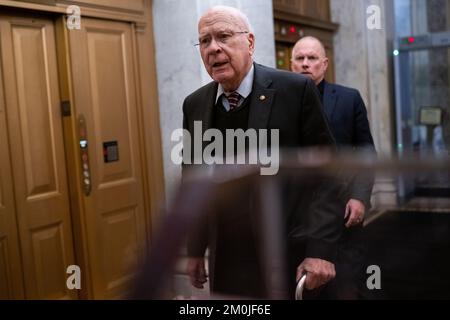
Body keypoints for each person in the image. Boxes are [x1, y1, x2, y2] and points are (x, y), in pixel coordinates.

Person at [183, 6, 343, 299]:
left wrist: (321, 250)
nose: (213, 48)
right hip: (228, 260)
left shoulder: (295, 90)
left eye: (224, 36)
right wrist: (195, 249)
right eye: (204, 41)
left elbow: (327, 172)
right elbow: (195, 182)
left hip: (287, 253)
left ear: (251, 42)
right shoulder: (194, 105)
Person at [291, 36, 377, 299]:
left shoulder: (349, 99)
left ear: (324, 63)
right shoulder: (279, 101)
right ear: (291, 64)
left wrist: (360, 196)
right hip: (297, 219)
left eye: (312, 58)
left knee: (346, 286)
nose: (306, 64)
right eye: (300, 58)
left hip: (342, 212)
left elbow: (366, 153)